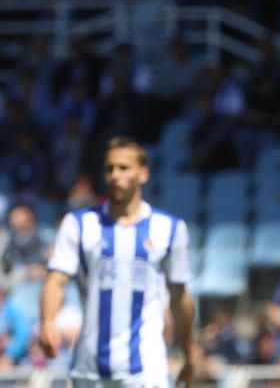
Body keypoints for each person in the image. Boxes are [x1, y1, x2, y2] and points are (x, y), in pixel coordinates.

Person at [39, 136, 195, 388]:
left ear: (143, 174)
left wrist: (188, 353)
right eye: (109, 168)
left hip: (146, 369)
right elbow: (55, 281)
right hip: (89, 369)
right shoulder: (79, 224)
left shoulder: (170, 229)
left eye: (123, 168)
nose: (114, 175)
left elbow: (180, 297)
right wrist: (47, 321)